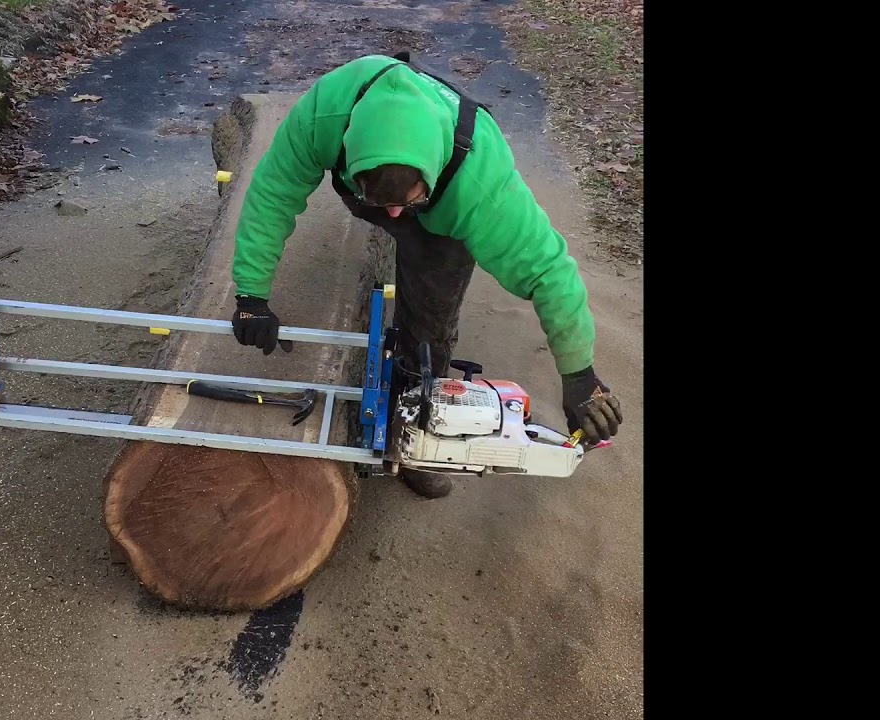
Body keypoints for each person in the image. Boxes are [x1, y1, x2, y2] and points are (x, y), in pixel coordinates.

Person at [227, 52, 622, 499]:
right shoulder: (326, 112)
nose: (394, 214)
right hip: (389, 177)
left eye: (406, 202)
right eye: (381, 202)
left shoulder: (479, 183)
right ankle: (384, 198)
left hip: (445, 211)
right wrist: (251, 296)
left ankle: (417, 437)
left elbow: (549, 272)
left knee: (430, 326)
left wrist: (580, 377)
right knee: (386, 213)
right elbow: (272, 195)